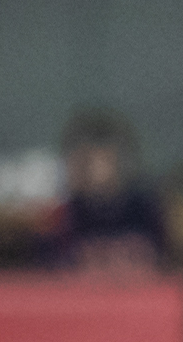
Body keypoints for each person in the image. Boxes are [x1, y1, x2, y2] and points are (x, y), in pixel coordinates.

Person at [41, 110, 171, 279]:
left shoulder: (148, 212)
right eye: (79, 160)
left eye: (94, 160)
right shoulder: (62, 219)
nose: (87, 170)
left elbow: (174, 269)